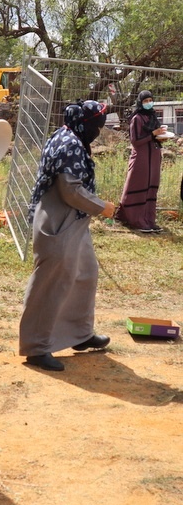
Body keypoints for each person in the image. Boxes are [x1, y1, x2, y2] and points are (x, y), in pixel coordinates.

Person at [19, 100, 115, 372]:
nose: (99, 130)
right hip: (58, 220)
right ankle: (36, 348)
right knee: (52, 282)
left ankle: (80, 334)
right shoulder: (70, 143)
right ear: (85, 124)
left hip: (73, 220)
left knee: (86, 272)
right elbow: (70, 191)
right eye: (97, 124)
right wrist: (102, 207)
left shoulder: (69, 135)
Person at [115, 90, 167, 233]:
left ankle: (149, 220)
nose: (149, 103)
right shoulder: (137, 118)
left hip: (154, 157)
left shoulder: (153, 117)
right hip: (141, 158)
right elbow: (136, 141)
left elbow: (154, 136)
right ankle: (135, 219)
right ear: (140, 102)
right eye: (145, 101)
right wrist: (152, 135)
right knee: (138, 185)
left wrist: (160, 136)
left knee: (151, 187)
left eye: (150, 100)